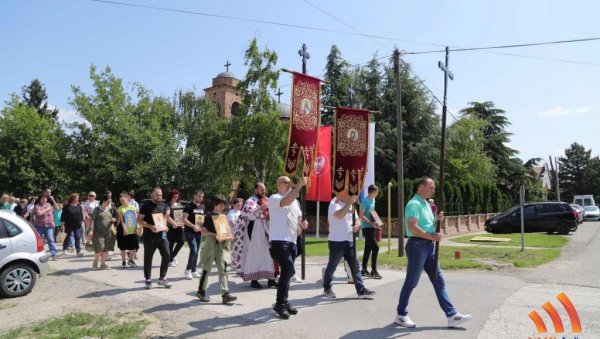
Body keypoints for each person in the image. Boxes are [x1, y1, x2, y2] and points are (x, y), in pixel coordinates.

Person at [395, 177, 472, 328]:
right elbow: (413, 227)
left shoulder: (425, 204)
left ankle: (452, 315)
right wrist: (431, 236)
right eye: (431, 187)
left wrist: (437, 219)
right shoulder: (414, 204)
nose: (434, 190)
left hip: (429, 247)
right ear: (421, 187)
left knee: (439, 280)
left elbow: (428, 225)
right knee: (412, 282)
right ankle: (401, 314)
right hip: (417, 246)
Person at [268, 176, 309, 319]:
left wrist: (302, 224)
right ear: (278, 185)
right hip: (279, 241)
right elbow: (285, 201)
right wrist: (299, 186)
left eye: (290, 183)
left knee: (288, 272)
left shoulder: (295, 202)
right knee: (289, 269)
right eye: (286, 183)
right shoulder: (274, 197)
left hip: (292, 241)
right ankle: (280, 304)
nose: (289, 185)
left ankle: (284, 302)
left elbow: (298, 218)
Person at [323, 192, 376, 299]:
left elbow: (357, 219)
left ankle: (361, 290)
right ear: (342, 193)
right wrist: (349, 203)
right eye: (349, 194)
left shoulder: (350, 204)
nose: (352, 196)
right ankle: (327, 288)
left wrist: (357, 225)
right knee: (332, 266)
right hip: (336, 241)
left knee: (355, 266)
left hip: (350, 241)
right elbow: (339, 215)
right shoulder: (334, 203)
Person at [197, 195, 237, 304]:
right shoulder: (209, 216)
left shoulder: (222, 217)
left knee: (222, 268)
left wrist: (227, 236)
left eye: (223, 206)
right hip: (210, 244)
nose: (222, 208)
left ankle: (225, 293)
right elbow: (203, 231)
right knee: (207, 268)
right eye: (220, 205)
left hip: (220, 245)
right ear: (215, 205)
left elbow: (224, 231)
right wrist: (215, 235)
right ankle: (201, 291)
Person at [238, 184, 277, 289]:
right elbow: (248, 215)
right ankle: (254, 280)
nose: (263, 191)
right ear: (256, 189)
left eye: (264, 189)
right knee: (255, 255)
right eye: (261, 189)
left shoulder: (268, 199)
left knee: (269, 254)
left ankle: (271, 279)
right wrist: (260, 209)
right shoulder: (250, 201)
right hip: (255, 230)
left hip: (268, 230)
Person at [138, 187, 172, 289]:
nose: (159, 197)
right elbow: (139, 220)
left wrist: (165, 226)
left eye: (161, 195)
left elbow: (165, 218)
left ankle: (162, 278)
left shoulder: (164, 205)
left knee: (167, 255)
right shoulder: (145, 206)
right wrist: (150, 226)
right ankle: (148, 279)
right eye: (157, 195)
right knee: (148, 258)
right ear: (152, 195)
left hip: (162, 236)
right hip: (150, 236)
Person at [88, 194, 117, 270]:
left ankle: (103, 264)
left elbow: (112, 218)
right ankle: (95, 262)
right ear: (103, 201)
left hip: (108, 232)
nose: (109, 203)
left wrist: (113, 220)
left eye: (110, 202)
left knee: (106, 249)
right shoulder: (97, 209)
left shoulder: (110, 209)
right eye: (108, 202)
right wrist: (91, 230)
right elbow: (92, 220)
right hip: (98, 232)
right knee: (99, 248)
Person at [359, 185, 382, 279]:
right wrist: (371, 223)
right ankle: (373, 270)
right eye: (377, 192)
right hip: (366, 227)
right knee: (376, 247)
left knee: (368, 248)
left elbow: (372, 212)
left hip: (372, 227)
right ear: (373, 192)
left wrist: (378, 221)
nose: (377, 194)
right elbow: (361, 216)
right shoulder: (365, 201)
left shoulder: (373, 200)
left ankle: (364, 269)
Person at [182, 190, 205, 280]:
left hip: (198, 232)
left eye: (202, 197)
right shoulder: (188, 206)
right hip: (189, 232)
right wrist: (193, 226)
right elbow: (184, 219)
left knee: (196, 251)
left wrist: (203, 227)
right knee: (194, 250)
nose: (200, 198)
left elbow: (203, 219)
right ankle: (188, 270)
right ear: (194, 196)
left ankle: (194, 270)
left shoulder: (203, 207)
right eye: (199, 196)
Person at [117, 192, 140, 269]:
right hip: (123, 229)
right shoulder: (120, 208)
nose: (122, 202)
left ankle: (130, 260)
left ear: (127, 199)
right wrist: (125, 229)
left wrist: (137, 227)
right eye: (120, 201)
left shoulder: (133, 208)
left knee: (135, 245)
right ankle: (123, 261)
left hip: (132, 228)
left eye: (123, 200)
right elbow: (122, 221)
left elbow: (136, 219)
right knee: (123, 246)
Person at [33, 194, 59, 259]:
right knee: (38, 240)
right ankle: (37, 253)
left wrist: (53, 200)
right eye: (42, 198)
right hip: (39, 226)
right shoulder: (37, 206)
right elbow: (39, 213)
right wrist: (47, 209)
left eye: (45, 198)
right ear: (40, 199)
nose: (44, 200)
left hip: (49, 226)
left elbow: (57, 209)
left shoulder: (49, 205)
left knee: (50, 239)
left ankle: (54, 254)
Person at [166, 189, 185, 267]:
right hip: (171, 227)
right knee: (171, 244)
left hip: (179, 227)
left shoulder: (179, 204)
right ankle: (170, 260)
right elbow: (167, 216)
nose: (176, 198)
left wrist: (183, 222)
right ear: (171, 196)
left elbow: (181, 215)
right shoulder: (167, 205)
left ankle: (172, 256)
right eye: (174, 197)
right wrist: (173, 223)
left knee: (181, 241)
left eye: (177, 197)